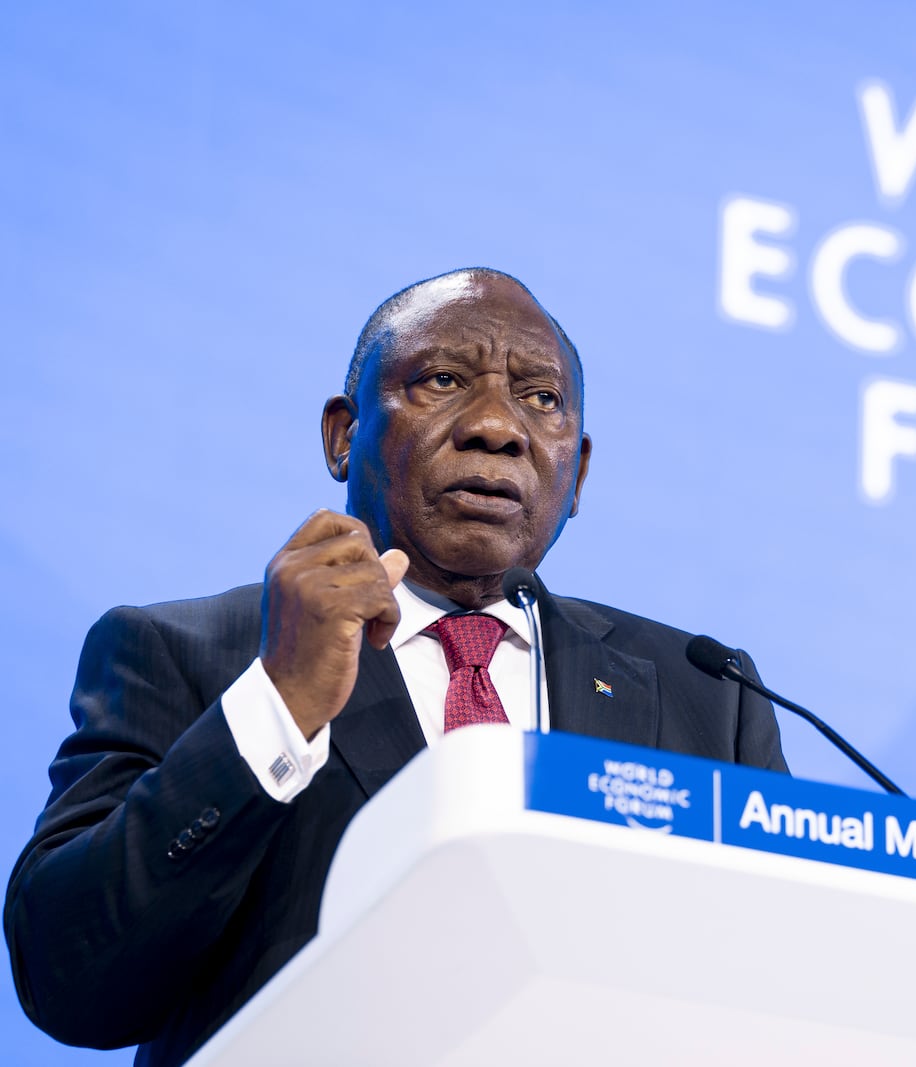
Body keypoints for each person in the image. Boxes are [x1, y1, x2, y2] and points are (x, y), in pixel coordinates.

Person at [4, 268, 787, 1067]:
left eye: (540, 399)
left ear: (577, 473)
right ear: (344, 436)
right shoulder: (186, 652)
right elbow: (70, 977)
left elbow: (776, 991)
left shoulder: (708, 694)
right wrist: (280, 702)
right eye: (443, 380)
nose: (496, 426)